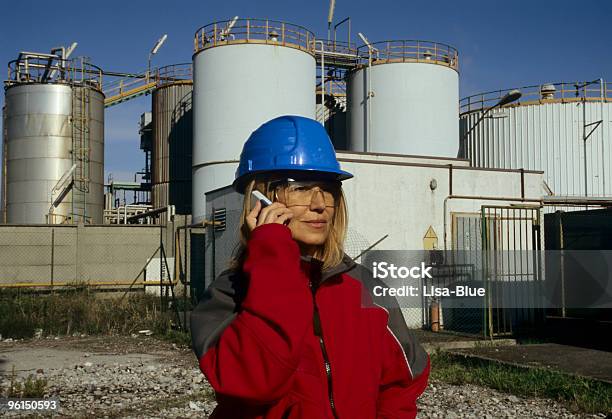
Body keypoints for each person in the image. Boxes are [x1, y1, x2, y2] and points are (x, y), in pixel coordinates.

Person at [191, 115, 430, 418]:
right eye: (301, 188)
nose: (319, 204)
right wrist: (272, 254)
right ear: (260, 198)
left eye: (327, 188)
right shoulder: (227, 294)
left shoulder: (366, 286)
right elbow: (255, 383)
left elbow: (403, 381)